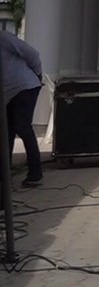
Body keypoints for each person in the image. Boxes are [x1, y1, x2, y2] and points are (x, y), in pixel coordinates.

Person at [2, 31, 44, 187]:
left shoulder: (4, 38)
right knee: (6, 132)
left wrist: (38, 75)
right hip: (7, 94)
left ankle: (35, 173)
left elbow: (32, 54)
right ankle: (5, 177)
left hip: (25, 87)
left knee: (22, 126)